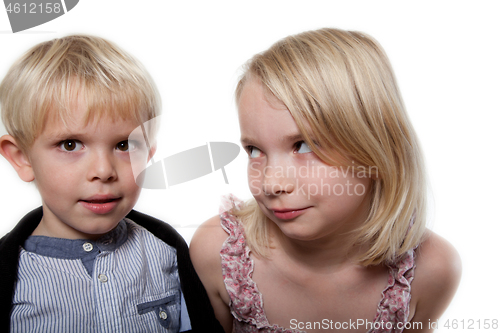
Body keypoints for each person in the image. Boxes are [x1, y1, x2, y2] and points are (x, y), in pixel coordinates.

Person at [190, 28, 461, 333]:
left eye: (303, 145)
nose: (270, 183)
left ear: (376, 146)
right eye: (254, 150)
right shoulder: (216, 253)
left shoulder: (432, 270)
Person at [0, 35, 222, 332]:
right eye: (70, 145)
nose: (103, 171)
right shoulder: (10, 277)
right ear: (22, 158)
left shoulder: (167, 253)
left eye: (123, 145)